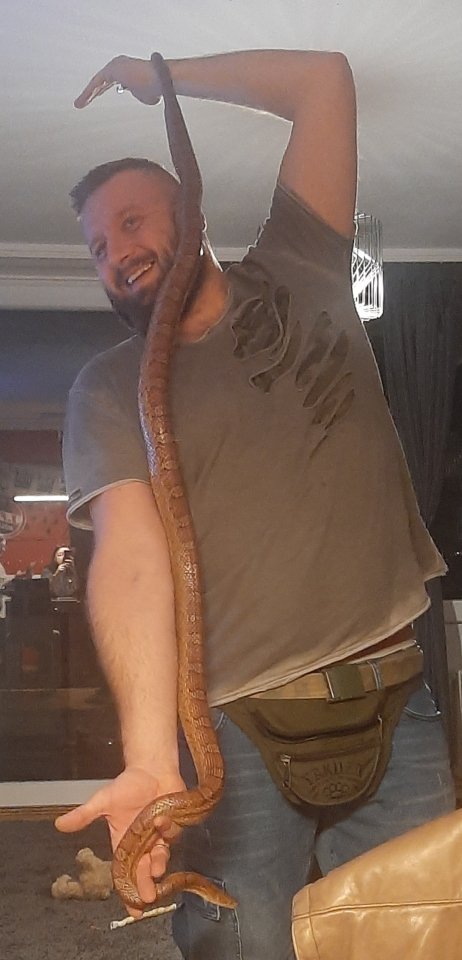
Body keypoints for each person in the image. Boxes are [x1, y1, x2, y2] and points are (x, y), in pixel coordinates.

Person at [56, 51, 455, 960]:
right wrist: (151, 759)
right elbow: (130, 561)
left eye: (131, 220)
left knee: (416, 934)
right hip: (234, 733)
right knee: (242, 946)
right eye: (97, 247)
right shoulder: (109, 387)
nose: (116, 252)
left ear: (192, 214)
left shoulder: (302, 265)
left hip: (398, 693)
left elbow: (325, 83)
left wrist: (163, 78)